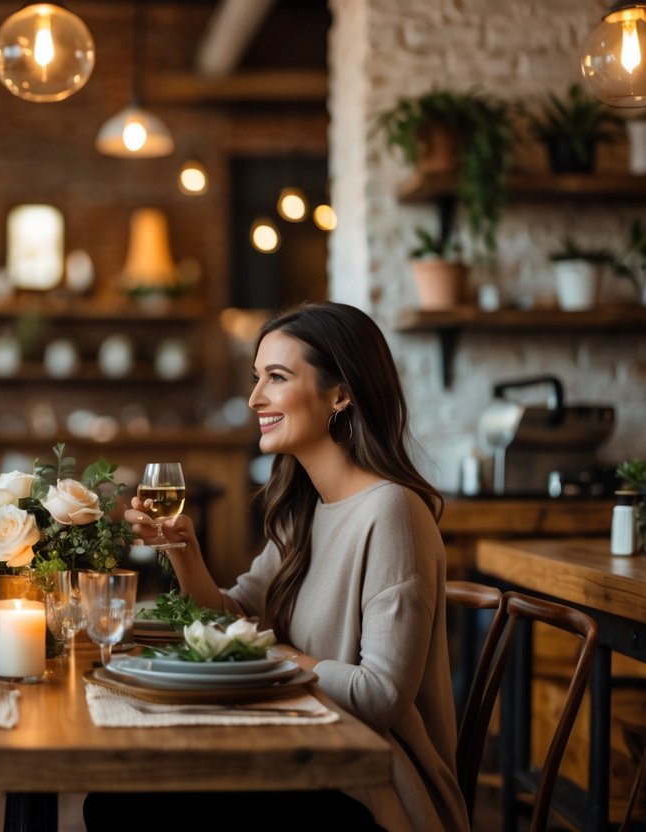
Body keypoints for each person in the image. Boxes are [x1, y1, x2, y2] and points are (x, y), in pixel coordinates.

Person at [85, 302, 468, 832]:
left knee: (120, 807)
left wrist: (278, 655)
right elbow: (235, 617)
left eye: (278, 377)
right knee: (113, 798)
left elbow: (379, 696)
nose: (255, 398)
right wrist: (183, 550)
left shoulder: (391, 512)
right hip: (301, 752)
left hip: (372, 788)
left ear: (341, 394)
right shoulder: (302, 509)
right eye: (257, 377)